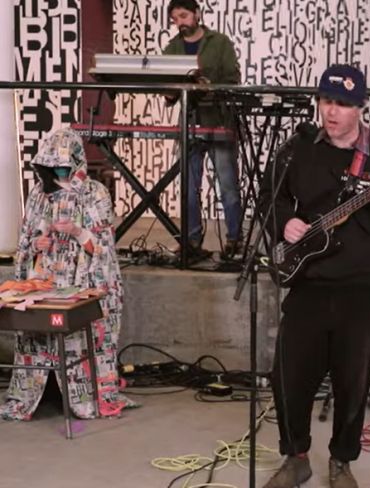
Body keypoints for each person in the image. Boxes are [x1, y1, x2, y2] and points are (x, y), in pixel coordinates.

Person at [258, 64, 370, 488]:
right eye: (327, 102)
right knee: (288, 377)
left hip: (361, 287)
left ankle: (341, 461)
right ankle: (296, 457)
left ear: (360, 108)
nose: (332, 112)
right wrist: (286, 222)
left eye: (343, 104)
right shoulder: (298, 149)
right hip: (308, 282)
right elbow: (269, 198)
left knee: (353, 381)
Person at [1, 128, 132, 420]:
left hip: (79, 284)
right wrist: (38, 244)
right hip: (45, 281)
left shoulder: (94, 193)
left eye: (62, 164)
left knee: (79, 331)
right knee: (36, 328)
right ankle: (36, 392)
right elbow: (26, 243)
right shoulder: (38, 195)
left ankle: (82, 395)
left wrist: (77, 231)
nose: (57, 170)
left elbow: (104, 250)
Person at [163, 0, 242, 258]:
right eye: (175, 19)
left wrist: (209, 84)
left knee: (228, 185)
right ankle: (192, 241)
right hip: (188, 121)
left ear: (196, 13)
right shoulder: (172, 48)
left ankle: (234, 240)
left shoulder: (220, 43)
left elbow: (233, 79)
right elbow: (166, 86)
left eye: (183, 16)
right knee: (187, 186)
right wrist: (169, 92)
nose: (180, 23)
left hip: (219, 119)